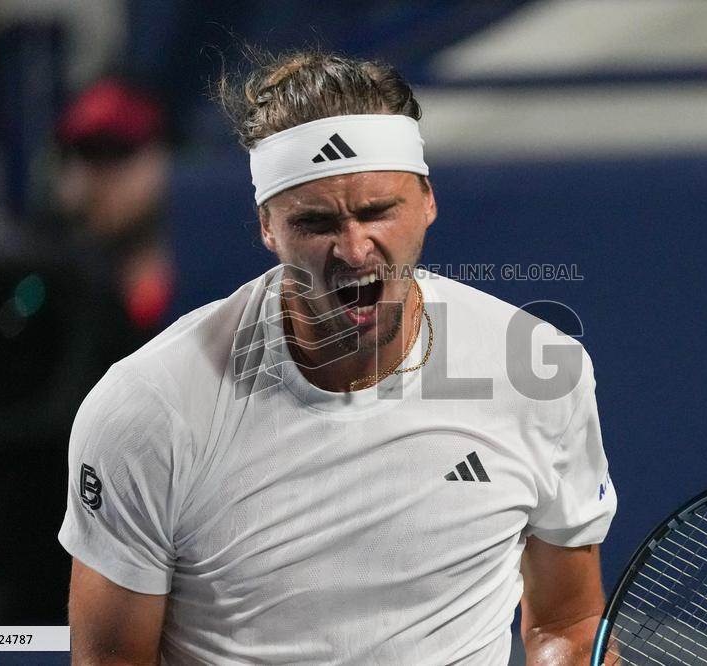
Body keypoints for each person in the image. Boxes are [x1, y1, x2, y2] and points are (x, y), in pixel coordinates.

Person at [59, 50, 617, 665]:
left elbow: (567, 622)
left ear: (427, 201)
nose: (354, 250)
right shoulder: (148, 409)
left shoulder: (541, 372)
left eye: (379, 211)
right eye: (316, 222)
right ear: (267, 227)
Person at [54, 76, 177, 338]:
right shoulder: (57, 289)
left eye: (109, 155)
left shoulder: (212, 287)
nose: (85, 183)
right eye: (74, 158)